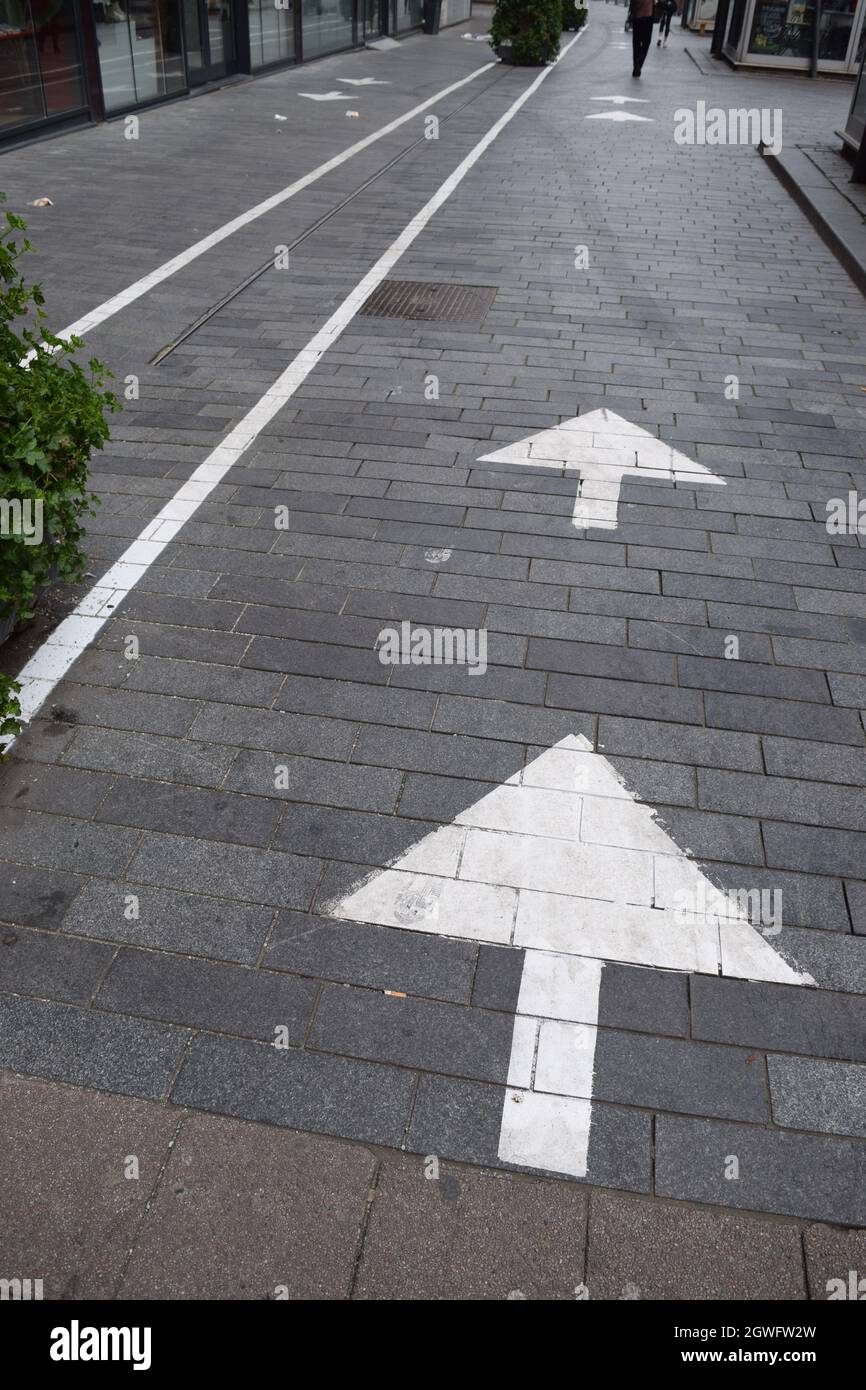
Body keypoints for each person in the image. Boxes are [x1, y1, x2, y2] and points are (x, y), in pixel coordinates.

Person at [628, 0, 655, 75]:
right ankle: (639, 63)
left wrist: (631, 15)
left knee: (636, 43)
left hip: (637, 18)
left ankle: (636, 67)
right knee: (646, 43)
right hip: (648, 18)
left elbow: (632, 4)